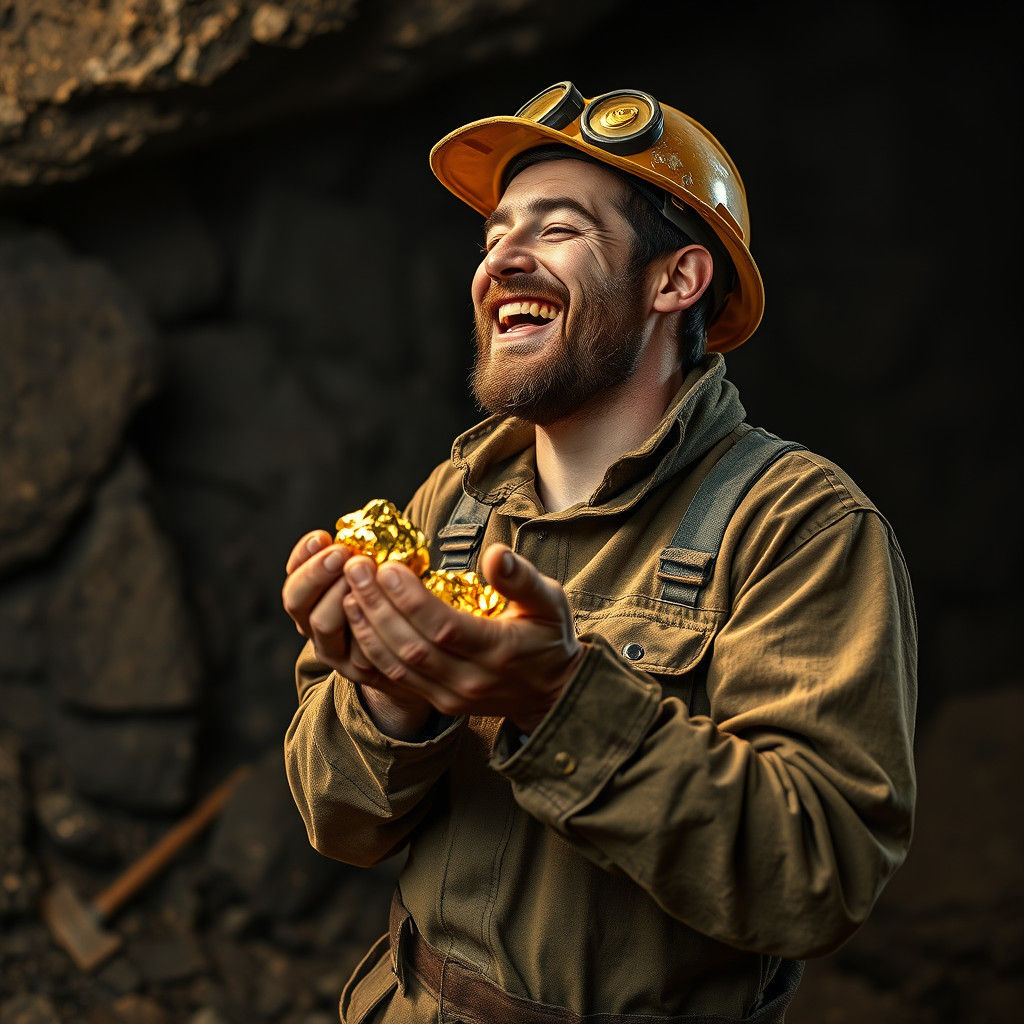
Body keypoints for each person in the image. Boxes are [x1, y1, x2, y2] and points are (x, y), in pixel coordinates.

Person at [282, 83, 917, 1024]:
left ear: (675, 282)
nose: (503, 257)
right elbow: (339, 823)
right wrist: (390, 692)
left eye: (559, 229)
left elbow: (816, 877)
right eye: (495, 232)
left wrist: (557, 702)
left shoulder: (797, 525)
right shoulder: (449, 504)